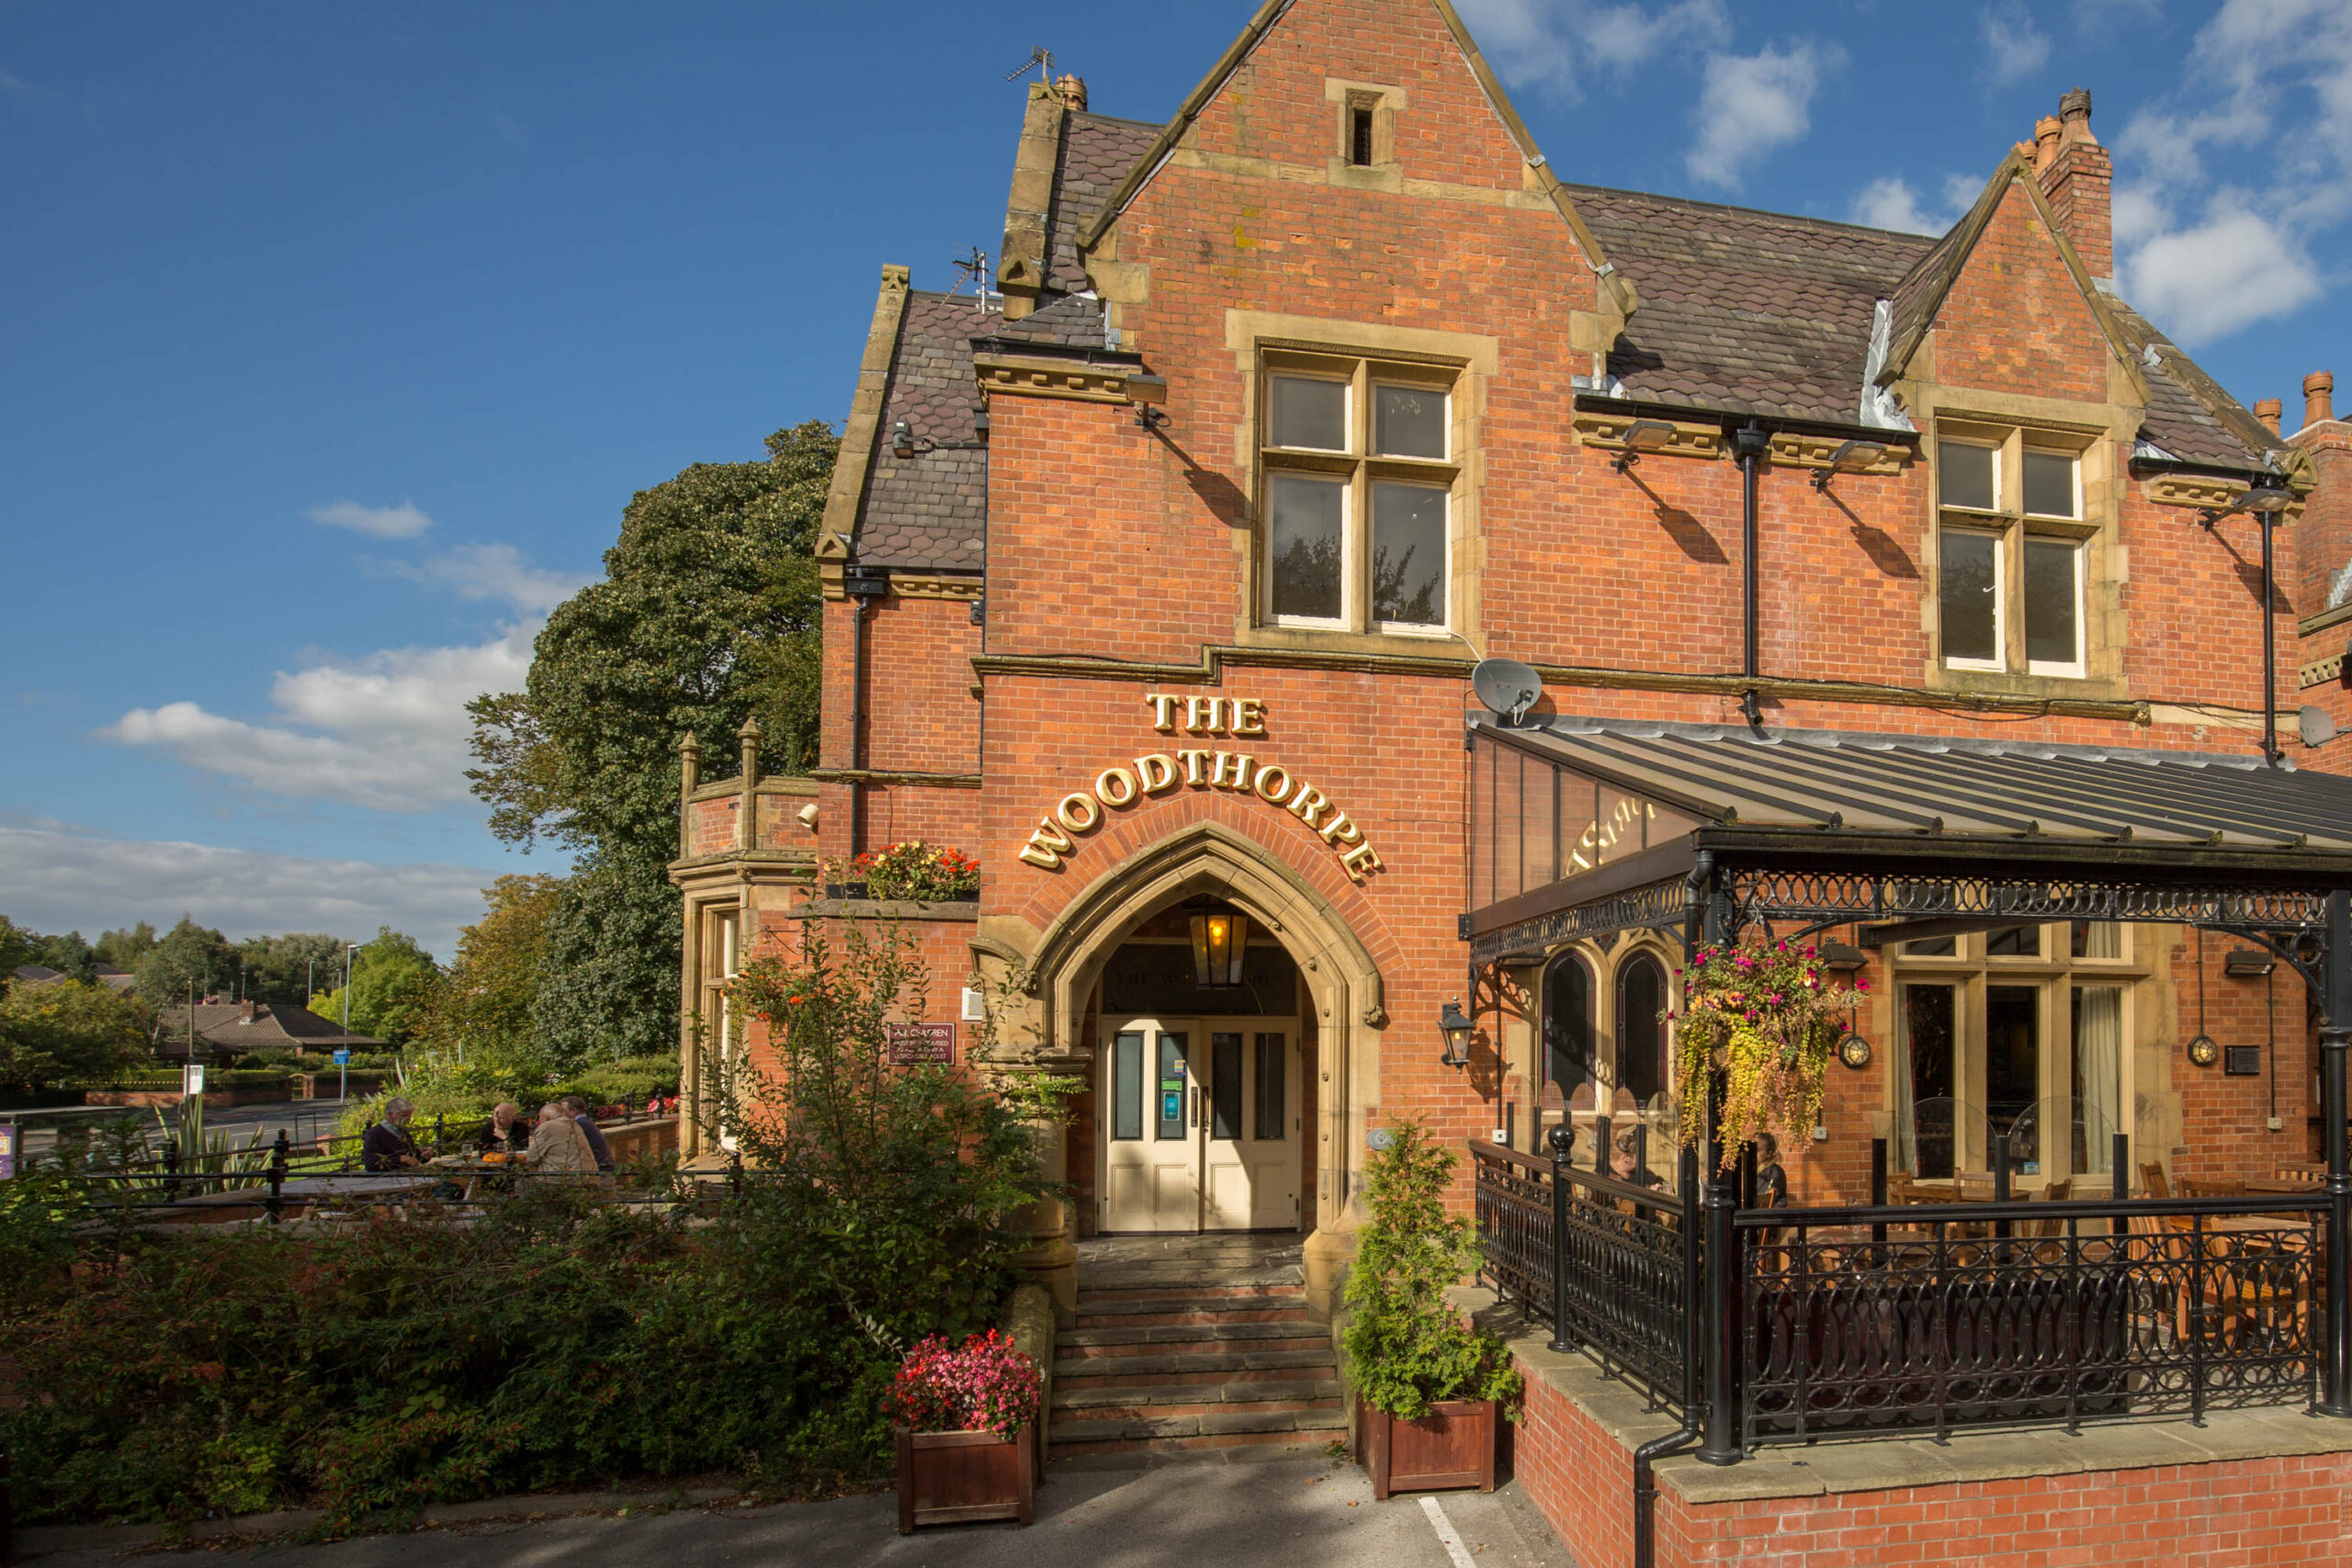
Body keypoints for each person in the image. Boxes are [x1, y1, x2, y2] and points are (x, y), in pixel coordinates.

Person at [526, 1100, 597, 1175]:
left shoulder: (547, 1127)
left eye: (539, 1117)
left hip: (563, 1177)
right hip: (591, 1174)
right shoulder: (575, 1124)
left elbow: (531, 1158)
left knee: (525, 1178)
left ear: (545, 1117)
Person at [362, 1098, 424, 1172]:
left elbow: (414, 1157)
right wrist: (400, 1159)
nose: (409, 1119)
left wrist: (425, 1154)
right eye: (404, 1116)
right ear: (390, 1115)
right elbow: (371, 1164)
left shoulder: (403, 1132)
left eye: (409, 1116)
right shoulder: (374, 1134)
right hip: (388, 1177)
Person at [564, 1095, 616, 1173]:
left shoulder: (580, 1124)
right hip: (604, 1167)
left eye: (563, 1110)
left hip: (601, 1170)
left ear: (573, 1111)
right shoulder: (585, 1121)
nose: (562, 1113)